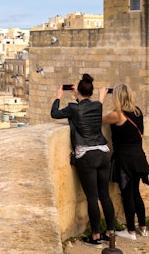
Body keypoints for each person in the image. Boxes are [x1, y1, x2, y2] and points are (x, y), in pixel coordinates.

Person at [51, 74, 115, 247]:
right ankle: (110, 232)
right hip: (103, 152)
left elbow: (54, 113)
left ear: (78, 91)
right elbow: (90, 106)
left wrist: (59, 97)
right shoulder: (97, 106)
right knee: (105, 195)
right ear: (91, 91)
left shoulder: (73, 108)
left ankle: (95, 236)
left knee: (92, 197)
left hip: (86, 155)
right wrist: (78, 94)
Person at [102, 83, 149, 241]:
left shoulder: (118, 115)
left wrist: (100, 99)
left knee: (127, 194)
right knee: (136, 192)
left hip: (125, 159)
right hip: (138, 157)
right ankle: (143, 228)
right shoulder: (138, 112)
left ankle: (131, 231)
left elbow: (99, 118)